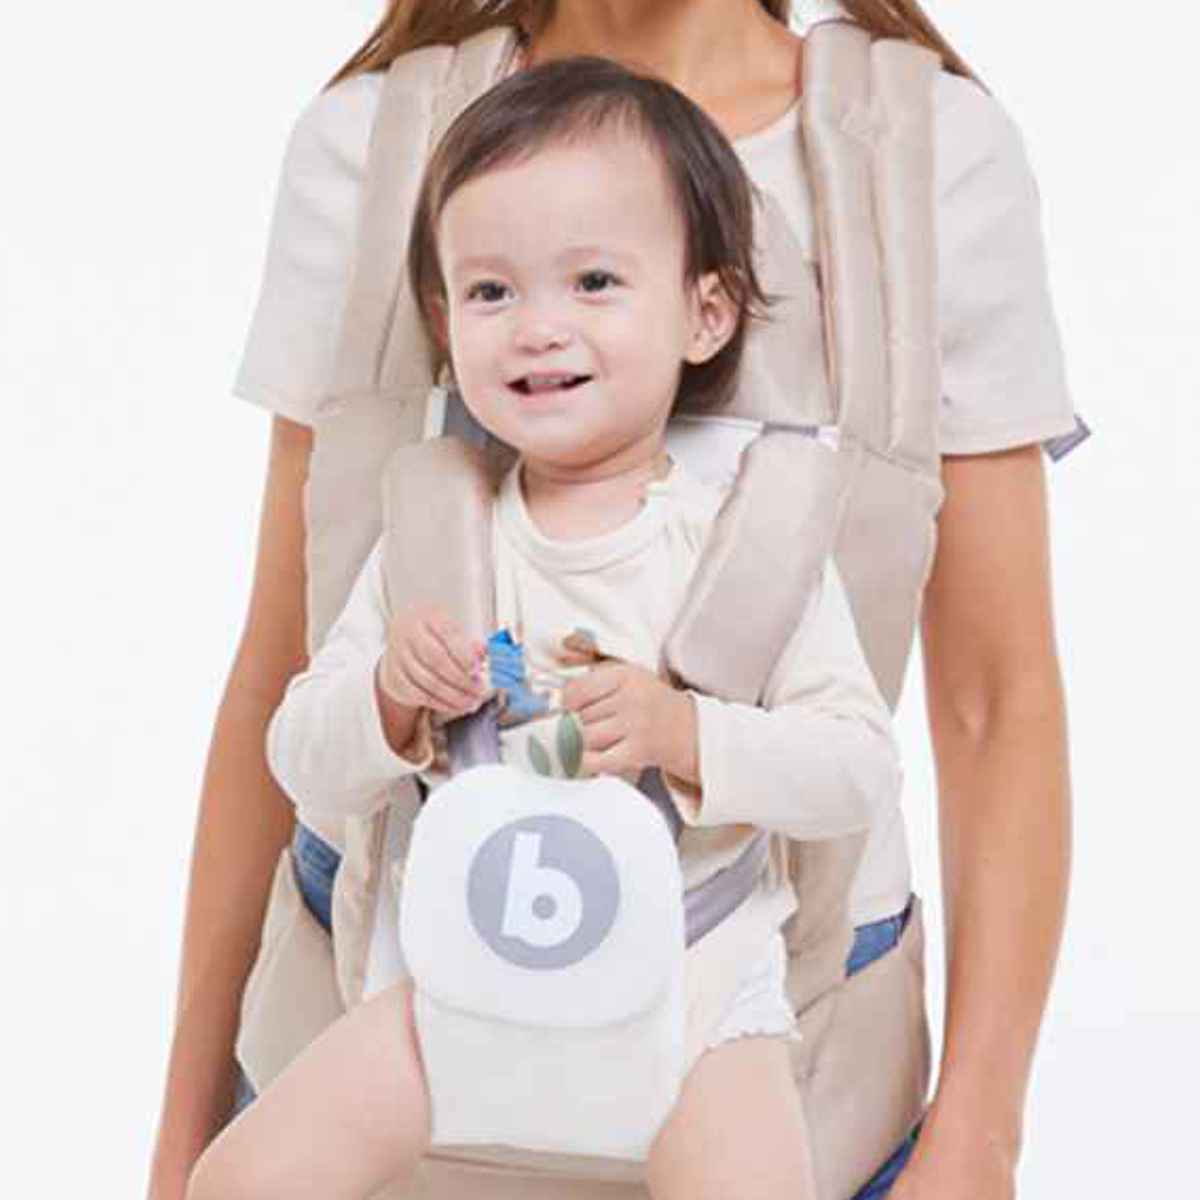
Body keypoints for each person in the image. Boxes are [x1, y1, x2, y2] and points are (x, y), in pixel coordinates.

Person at [148, 4, 1081, 1199]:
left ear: (710, 309)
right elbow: (279, 665)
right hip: (395, 1005)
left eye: (596, 282)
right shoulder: (377, 139)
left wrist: (980, 1141)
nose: (542, 330)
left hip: (770, 1019)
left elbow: (996, 702)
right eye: (492, 294)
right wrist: (181, 1136)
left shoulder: (919, 153)